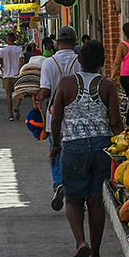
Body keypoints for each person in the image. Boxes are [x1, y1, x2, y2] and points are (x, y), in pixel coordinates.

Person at [49, 39, 123, 257]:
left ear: (79, 61)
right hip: (101, 148)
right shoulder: (108, 86)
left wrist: (55, 146)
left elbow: (56, 117)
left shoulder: (66, 83)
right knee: (95, 200)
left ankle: (81, 242)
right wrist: (127, 146)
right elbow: (115, 122)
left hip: (73, 148)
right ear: (101, 62)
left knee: (73, 199)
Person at [35, 26, 82, 211]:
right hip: (77, 114)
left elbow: (45, 91)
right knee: (76, 152)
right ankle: (77, 189)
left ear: (57, 44)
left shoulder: (48, 63)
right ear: (74, 42)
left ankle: (58, 183)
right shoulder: (80, 61)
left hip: (54, 115)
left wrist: (37, 96)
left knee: (55, 151)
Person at [0, 32, 25, 120]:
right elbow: (21, 61)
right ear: (14, 39)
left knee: (8, 95)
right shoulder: (19, 49)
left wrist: (2, 63)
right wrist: (20, 71)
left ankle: (10, 115)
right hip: (17, 75)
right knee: (19, 94)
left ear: (7, 40)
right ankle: (17, 106)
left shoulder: (3, 50)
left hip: (7, 76)